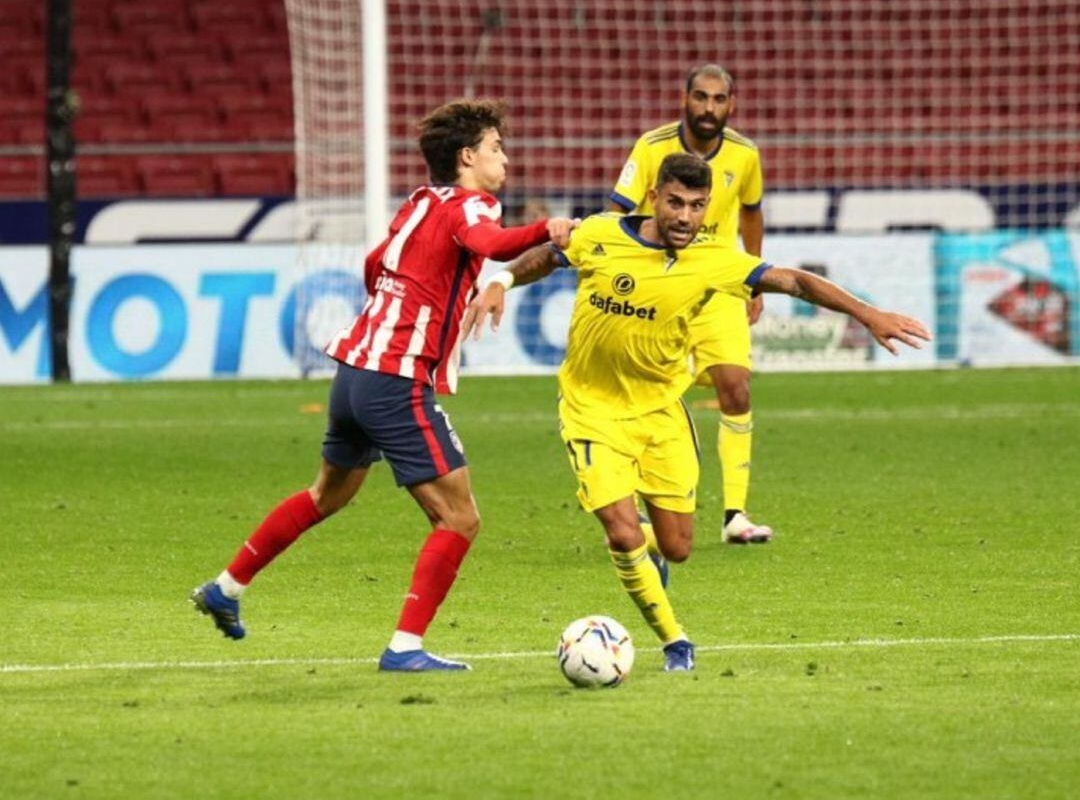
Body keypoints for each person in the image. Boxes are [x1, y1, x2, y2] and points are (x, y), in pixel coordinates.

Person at [464, 153, 929, 671]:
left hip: (661, 411)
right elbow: (551, 256)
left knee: (678, 546)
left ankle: (644, 541)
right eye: (676, 203)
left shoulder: (715, 258)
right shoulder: (602, 234)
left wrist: (868, 313)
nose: (685, 216)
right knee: (620, 532)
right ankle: (674, 640)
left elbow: (794, 281)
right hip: (590, 409)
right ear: (655, 197)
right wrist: (501, 281)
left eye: (698, 206)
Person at [191, 99, 577, 672]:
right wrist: (546, 227)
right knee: (460, 518)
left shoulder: (420, 203)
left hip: (354, 371)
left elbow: (376, 263)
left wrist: (397, 307)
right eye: (496, 148)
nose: (504, 159)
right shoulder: (473, 205)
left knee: (328, 494)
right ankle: (405, 648)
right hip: (396, 378)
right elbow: (491, 244)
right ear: (468, 157)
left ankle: (227, 587)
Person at [608, 63, 770, 544]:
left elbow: (752, 211)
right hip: (659, 285)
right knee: (642, 394)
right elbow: (618, 210)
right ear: (685, 98)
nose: (709, 108)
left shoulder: (744, 155)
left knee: (736, 385)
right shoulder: (652, 146)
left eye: (719, 100)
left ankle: (735, 515)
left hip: (718, 283)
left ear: (731, 106)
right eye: (701, 97)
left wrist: (753, 280)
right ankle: (628, 509)